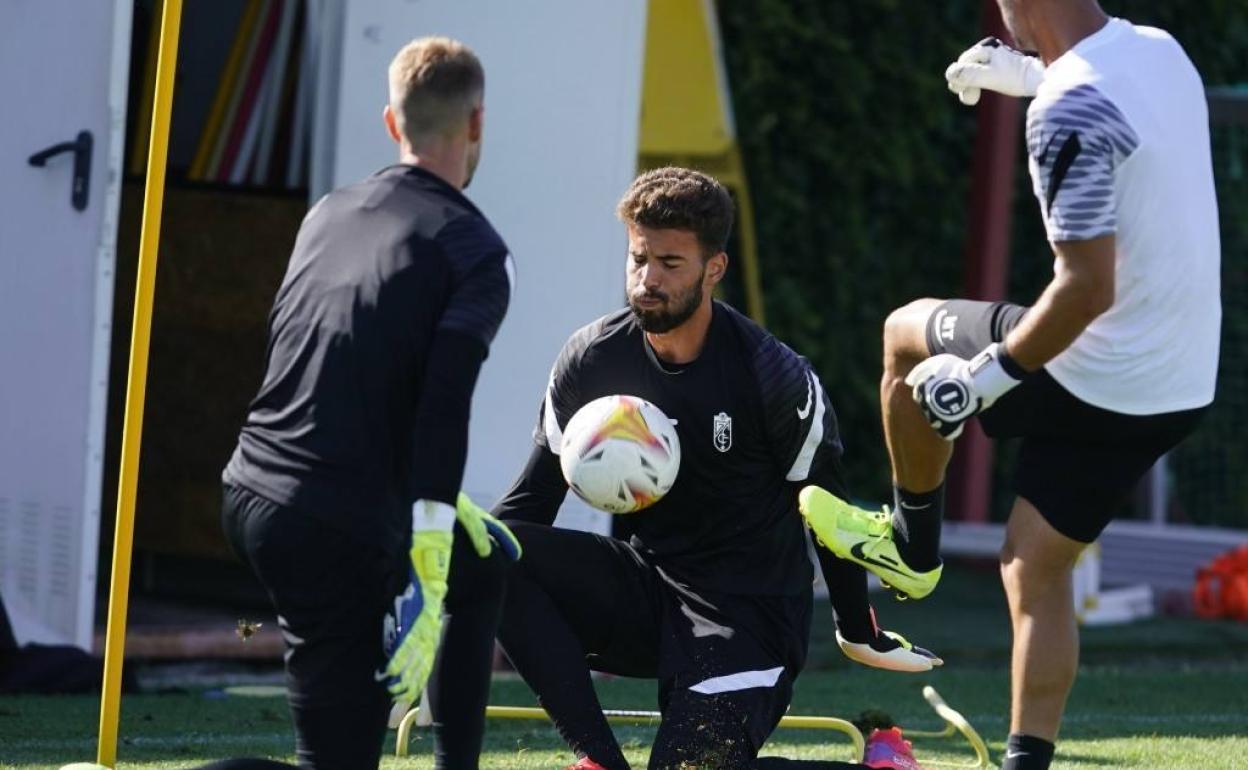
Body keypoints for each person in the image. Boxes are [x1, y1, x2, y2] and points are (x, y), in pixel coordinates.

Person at [799, 4, 1220, 769]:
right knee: (1033, 561)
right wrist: (1028, 74)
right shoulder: (1162, 51)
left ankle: (911, 547)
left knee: (902, 332)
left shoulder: (1063, 110)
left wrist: (981, 379)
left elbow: (1086, 288)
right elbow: (1117, 102)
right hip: (1179, 388)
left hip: (1095, 371)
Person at [493, 167, 940, 770]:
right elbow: (526, 508)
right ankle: (599, 761)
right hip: (648, 592)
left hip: (751, 616)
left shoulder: (772, 375)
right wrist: (454, 577)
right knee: (486, 550)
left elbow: (829, 517)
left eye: (670, 263)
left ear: (714, 268)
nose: (647, 280)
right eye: (638, 258)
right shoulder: (590, 360)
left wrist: (856, 629)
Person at [219, 37, 519, 770]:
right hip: (330, 524)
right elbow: (445, 401)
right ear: (477, 122)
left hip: (253, 488)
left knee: (485, 565)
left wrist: (436, 515)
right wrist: (427, 553)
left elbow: (324, 354)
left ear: (392, 122)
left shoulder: (331, 212)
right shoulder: (475, 250)